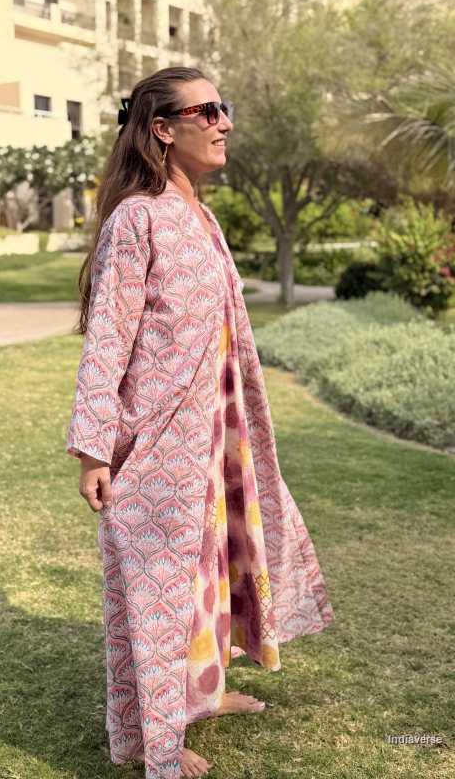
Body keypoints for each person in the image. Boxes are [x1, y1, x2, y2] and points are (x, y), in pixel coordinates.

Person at [66, 66, 335, 779]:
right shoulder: (138, 216)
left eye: (226, 108)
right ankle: (155, 749)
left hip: (215, 440)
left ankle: (205, 690)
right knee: (159, 598)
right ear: (162, 127)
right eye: (207, 110)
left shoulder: (199, 215)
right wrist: (95, 449)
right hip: (156, 446)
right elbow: (108, 339)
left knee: (212, 572)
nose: (224, 122)